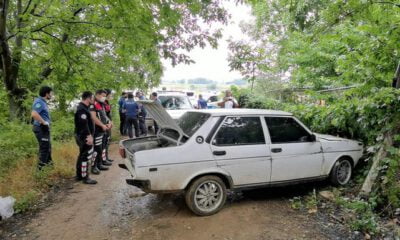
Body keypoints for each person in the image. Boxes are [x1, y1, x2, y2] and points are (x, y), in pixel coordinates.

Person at [74, 91, 97, 184]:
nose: (93, 99)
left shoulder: (84, 108)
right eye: (92, 97)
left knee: (82, 155)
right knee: (85, 156)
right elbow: (83, 125)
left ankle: (79, 175)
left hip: (84, 135)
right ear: (88, 98)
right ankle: (85, 177)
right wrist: (89, 136)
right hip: (84, 136)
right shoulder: (81, 109)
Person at [31, 86, 53, 170]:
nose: (52, 95)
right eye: (51, 93)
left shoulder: (43, 102)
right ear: (47, 93)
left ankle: (50, 167)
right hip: (40, 128)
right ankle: (40, 172)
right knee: (44, 149)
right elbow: (34, 114)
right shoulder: (39, 102)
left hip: (44, 129)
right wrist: (44, 122)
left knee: (48, 147)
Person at [90, 90, 111, 174]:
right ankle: (93, 167)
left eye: (105, 96)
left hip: (103, 129)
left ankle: (99, 164)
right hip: (96, 130)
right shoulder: (93, 104)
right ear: (97, 95)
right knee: (96, 149)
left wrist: (109, 122)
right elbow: (94, 118)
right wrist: (102, 125)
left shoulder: (102, 104)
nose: (104, 97)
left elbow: (104, 115)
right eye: (102, 95)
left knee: (101, 147)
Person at [104, 89, 113, 162]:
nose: (111, 96)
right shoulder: (102, 103)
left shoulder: (106, 102)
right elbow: (103, 115)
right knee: (105, 142)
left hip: (109, 124)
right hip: (105, 125)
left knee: (107, 141)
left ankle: (106, 158)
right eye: (110, 94)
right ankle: (104, 159)